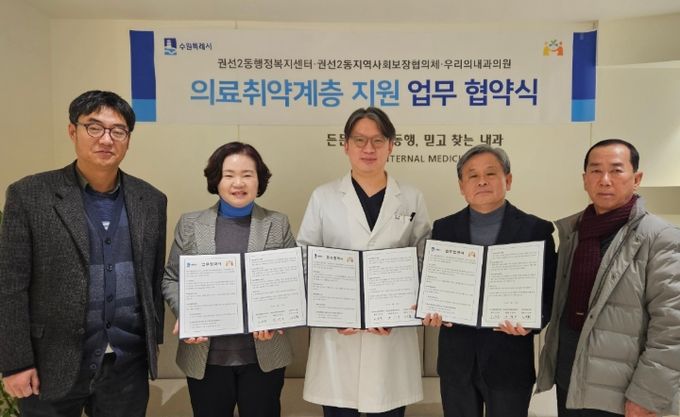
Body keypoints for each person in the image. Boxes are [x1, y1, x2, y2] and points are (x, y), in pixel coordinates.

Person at [0, 90, 167, 416]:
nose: (106, 139)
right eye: (94, 127)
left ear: (128, 139)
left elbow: (153, 277)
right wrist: (16, 362)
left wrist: (152, 342)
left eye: (118, 131)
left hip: (126, 367)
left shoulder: (150, 200)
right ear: (72, 131)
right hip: (50, 364)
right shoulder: (30, 194)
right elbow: (10, 286)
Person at [298, 107, 431, 417]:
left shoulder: (411, 197)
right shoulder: (323, 196)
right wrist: (331, 312)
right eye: (359, 140)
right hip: (338, 334)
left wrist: (399, 312)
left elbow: (424, 259)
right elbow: (305, 257)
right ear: (345, 145)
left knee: (388, 407)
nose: (368, 148)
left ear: (391, 145)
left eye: (378, 140)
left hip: (391, 333)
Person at [536, 139, 680, 417]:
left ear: (636, 178)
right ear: (585, 179)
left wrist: (648, 395)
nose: (604, 180)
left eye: (616, 170)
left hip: (621, 392)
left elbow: (672, 327)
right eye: (596, 171)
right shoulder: (573, 233)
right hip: (569, 379)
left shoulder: (661, 238)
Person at [420, 144, 557, 417]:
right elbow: (435, 285)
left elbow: (550, 290)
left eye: (490, 173)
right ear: (462, 186)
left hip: (509, 360)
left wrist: (532, 323)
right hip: (457, 362)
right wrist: (430, 309)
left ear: (508, 180)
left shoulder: (536, 229)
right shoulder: (443, 229)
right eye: (472, 175)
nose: (481, 181)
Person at [162, 142, 294, 417]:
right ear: (216, 180)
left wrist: (278, 315)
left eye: (247, 174)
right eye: (229, 175)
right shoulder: (190, 224)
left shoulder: (277, 223)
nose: (238, 183)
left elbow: (292, 280)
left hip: (263, 356)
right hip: (205, 357)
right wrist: (186, 312)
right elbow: (171, 278)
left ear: (259, 180)